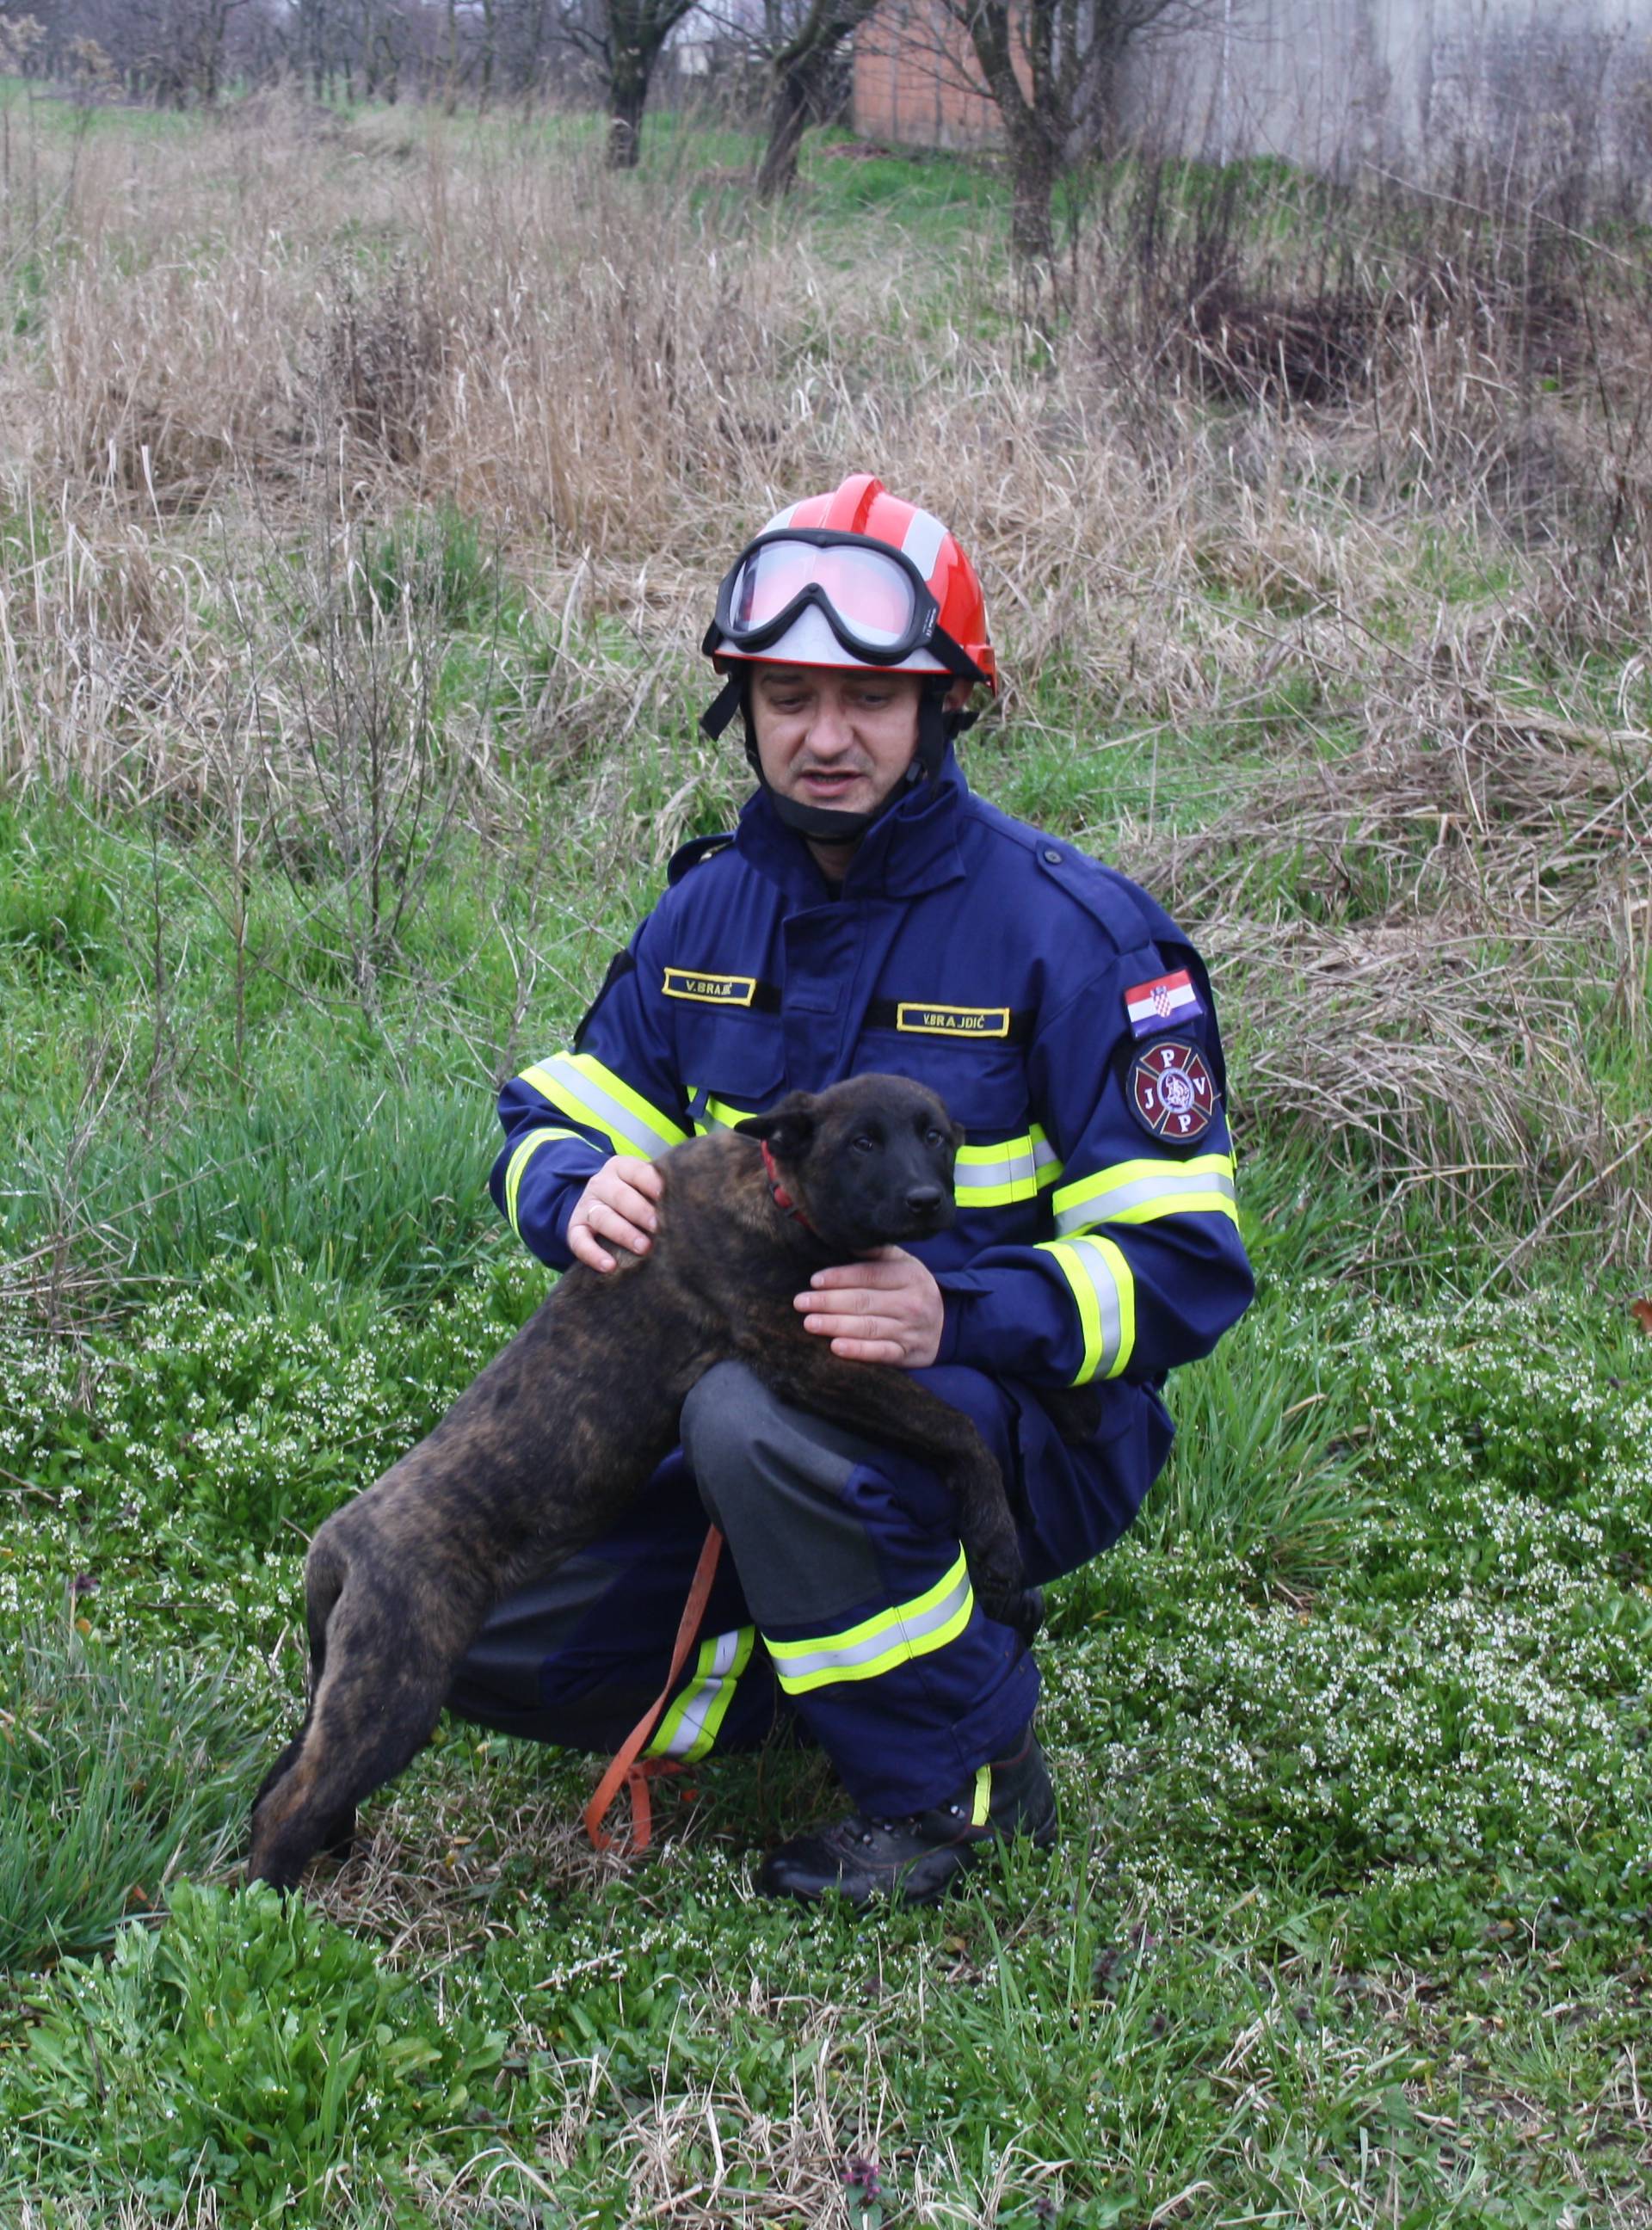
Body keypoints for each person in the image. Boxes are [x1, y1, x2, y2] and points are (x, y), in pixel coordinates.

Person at [448, 473, 1254, 1904]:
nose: (825, 740)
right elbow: (569, 1105)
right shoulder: (708, 911)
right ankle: (806, 1656)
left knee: (757, 1419)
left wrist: (960, 1314)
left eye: (870, 700)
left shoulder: (1075, 938)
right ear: (739, 708)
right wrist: (567, 1183)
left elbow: (1187, 1262)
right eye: (788, 697)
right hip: (745, 1402)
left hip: (1015, 1423)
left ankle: (960, 1780)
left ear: (945, 710)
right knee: (481, 1630)